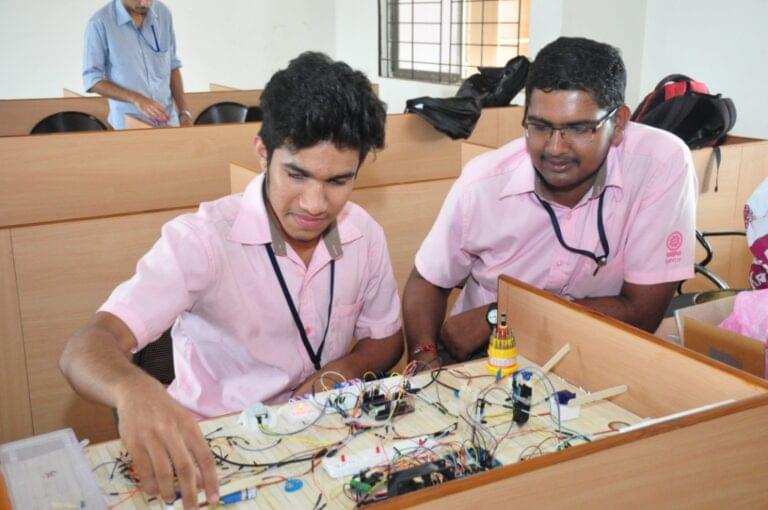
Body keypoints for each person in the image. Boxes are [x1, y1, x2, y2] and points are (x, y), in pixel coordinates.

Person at [60, 52, 403, 508]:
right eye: (296, 175)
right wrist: (131, 389)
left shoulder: (365, 235)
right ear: (263, 152)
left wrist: (334, 374)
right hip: (214, 445)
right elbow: (85, 347)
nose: (316, 204)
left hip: (322, 433)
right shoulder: (202, 239)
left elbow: (386, 340)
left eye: (339, 181)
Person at [404, 37, 697, 366]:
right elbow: (427, 279)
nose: (555, 148)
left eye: (578, 128)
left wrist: (500, 315)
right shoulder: (483, 183)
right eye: (540, 126)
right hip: (483, 360)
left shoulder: (660, 163)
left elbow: (641, 313)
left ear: (618, 124)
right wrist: (423, 354)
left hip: (595, 356)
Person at [82, 0, 191, 129]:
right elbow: (93, 80)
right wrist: (136, 98)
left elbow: (172, 65)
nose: (144, 3)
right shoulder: (99, 23)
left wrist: (184, 112)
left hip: (169, 122)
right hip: (128, 126)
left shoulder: (163, 13)